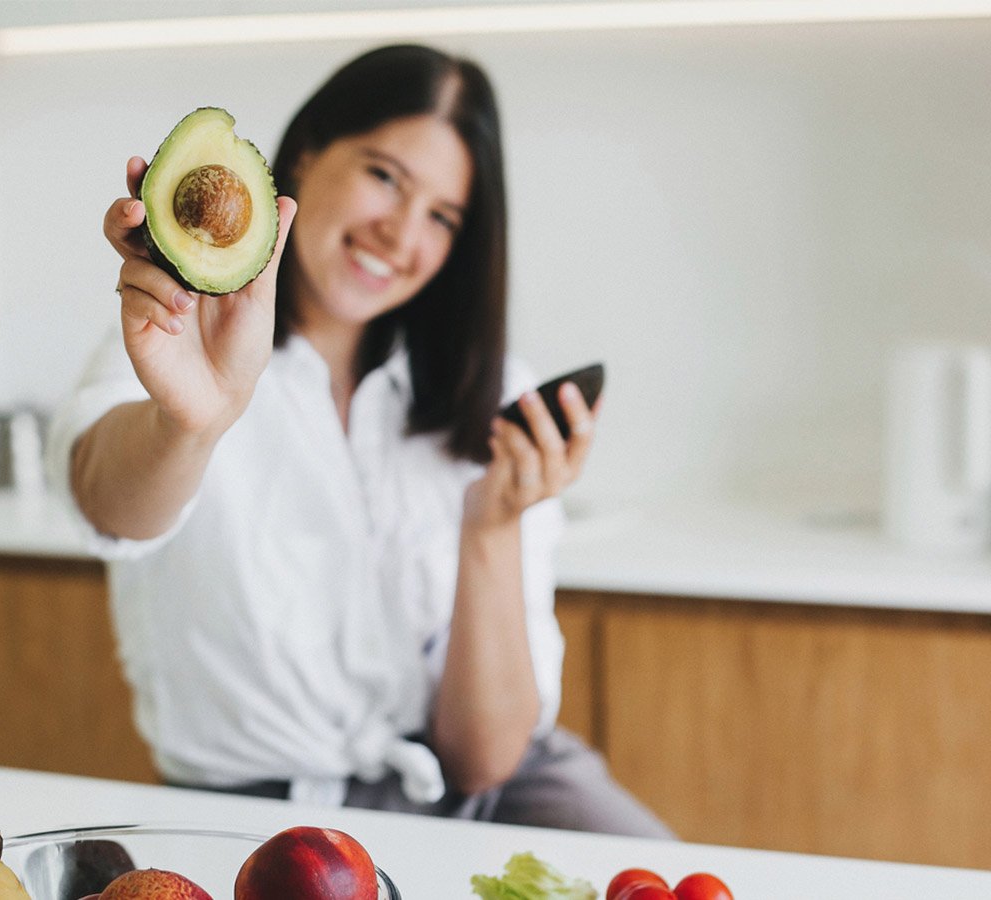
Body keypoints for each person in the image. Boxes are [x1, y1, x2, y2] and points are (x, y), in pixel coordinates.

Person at [48, 43, 672, 837]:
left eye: (442, 217)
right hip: (264, 813)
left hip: (495, 791)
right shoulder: (179, 337)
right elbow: (110, 502)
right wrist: (189, 421)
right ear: (307, 152)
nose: (401, 234)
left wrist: (492, 525)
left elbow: (483, 760)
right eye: (385, 176)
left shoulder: (486, 389)